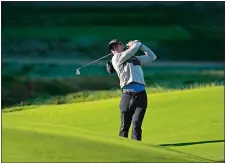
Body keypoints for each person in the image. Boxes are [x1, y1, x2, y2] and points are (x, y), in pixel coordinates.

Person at [107, 39, 157, 141]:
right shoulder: (116, 58)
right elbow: (132, 50)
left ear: (122, 46)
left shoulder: (135, 58)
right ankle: (122, 148)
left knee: (136, 124)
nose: (114, 48)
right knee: (124, 125)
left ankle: (137, 147)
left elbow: (152, 56)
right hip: (127, 95)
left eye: (116, 46)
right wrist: (136, 44)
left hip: (141, 95)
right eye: (112, 48)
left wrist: (141, 45)